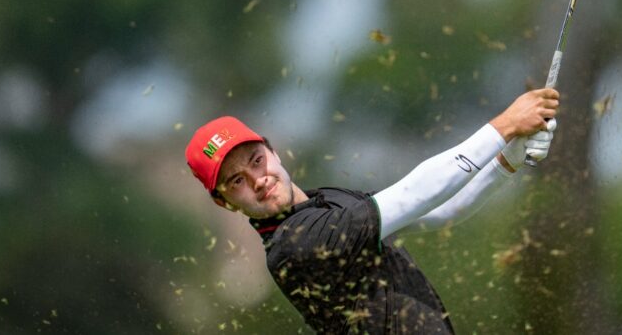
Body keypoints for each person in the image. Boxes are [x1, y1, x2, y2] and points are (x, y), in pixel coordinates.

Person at [185, 88, 559, 334]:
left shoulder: (328, 202)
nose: (258, 179)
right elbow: (413, 195)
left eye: (256, 160)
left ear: (273, 150)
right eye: (236, 181)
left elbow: (439, 209)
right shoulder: (296, 244)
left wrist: (507, 159)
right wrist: (505, 125)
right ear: (225, 203)